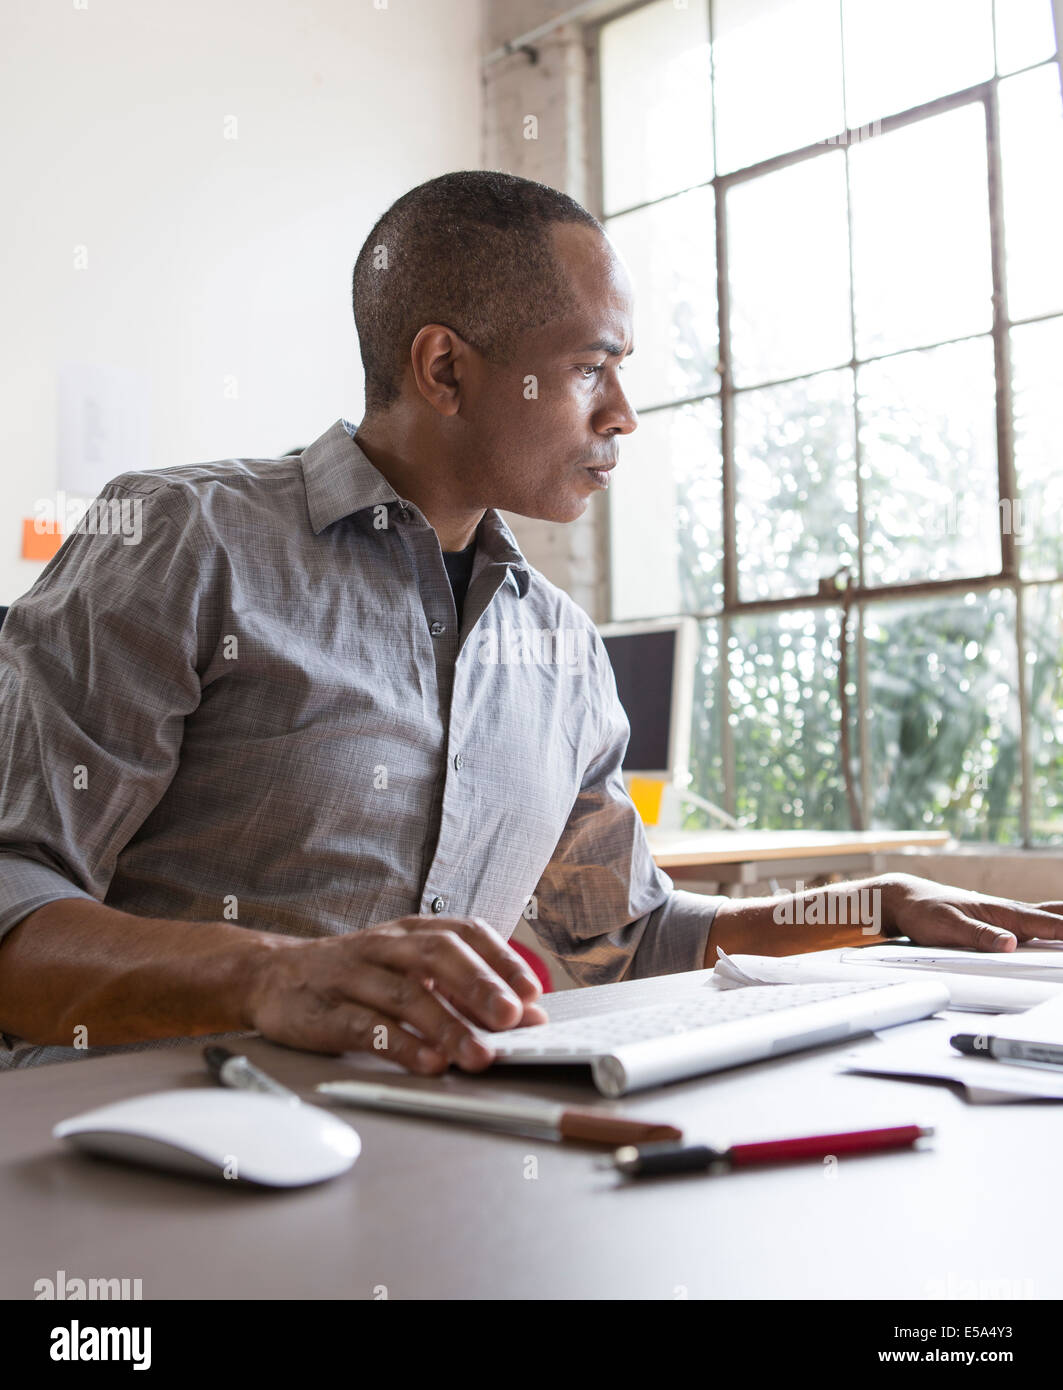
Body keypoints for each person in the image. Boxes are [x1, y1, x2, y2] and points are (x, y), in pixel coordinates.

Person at [0, 170, 1059, 1074]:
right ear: (446, 368)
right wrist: (273, 973)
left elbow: (623, 940)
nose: (622, 415)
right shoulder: (184, 538)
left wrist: (864, 906)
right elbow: (14, 898)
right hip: (117, 1147)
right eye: (592, 366)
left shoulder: (558, 645)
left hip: (404, 1150)